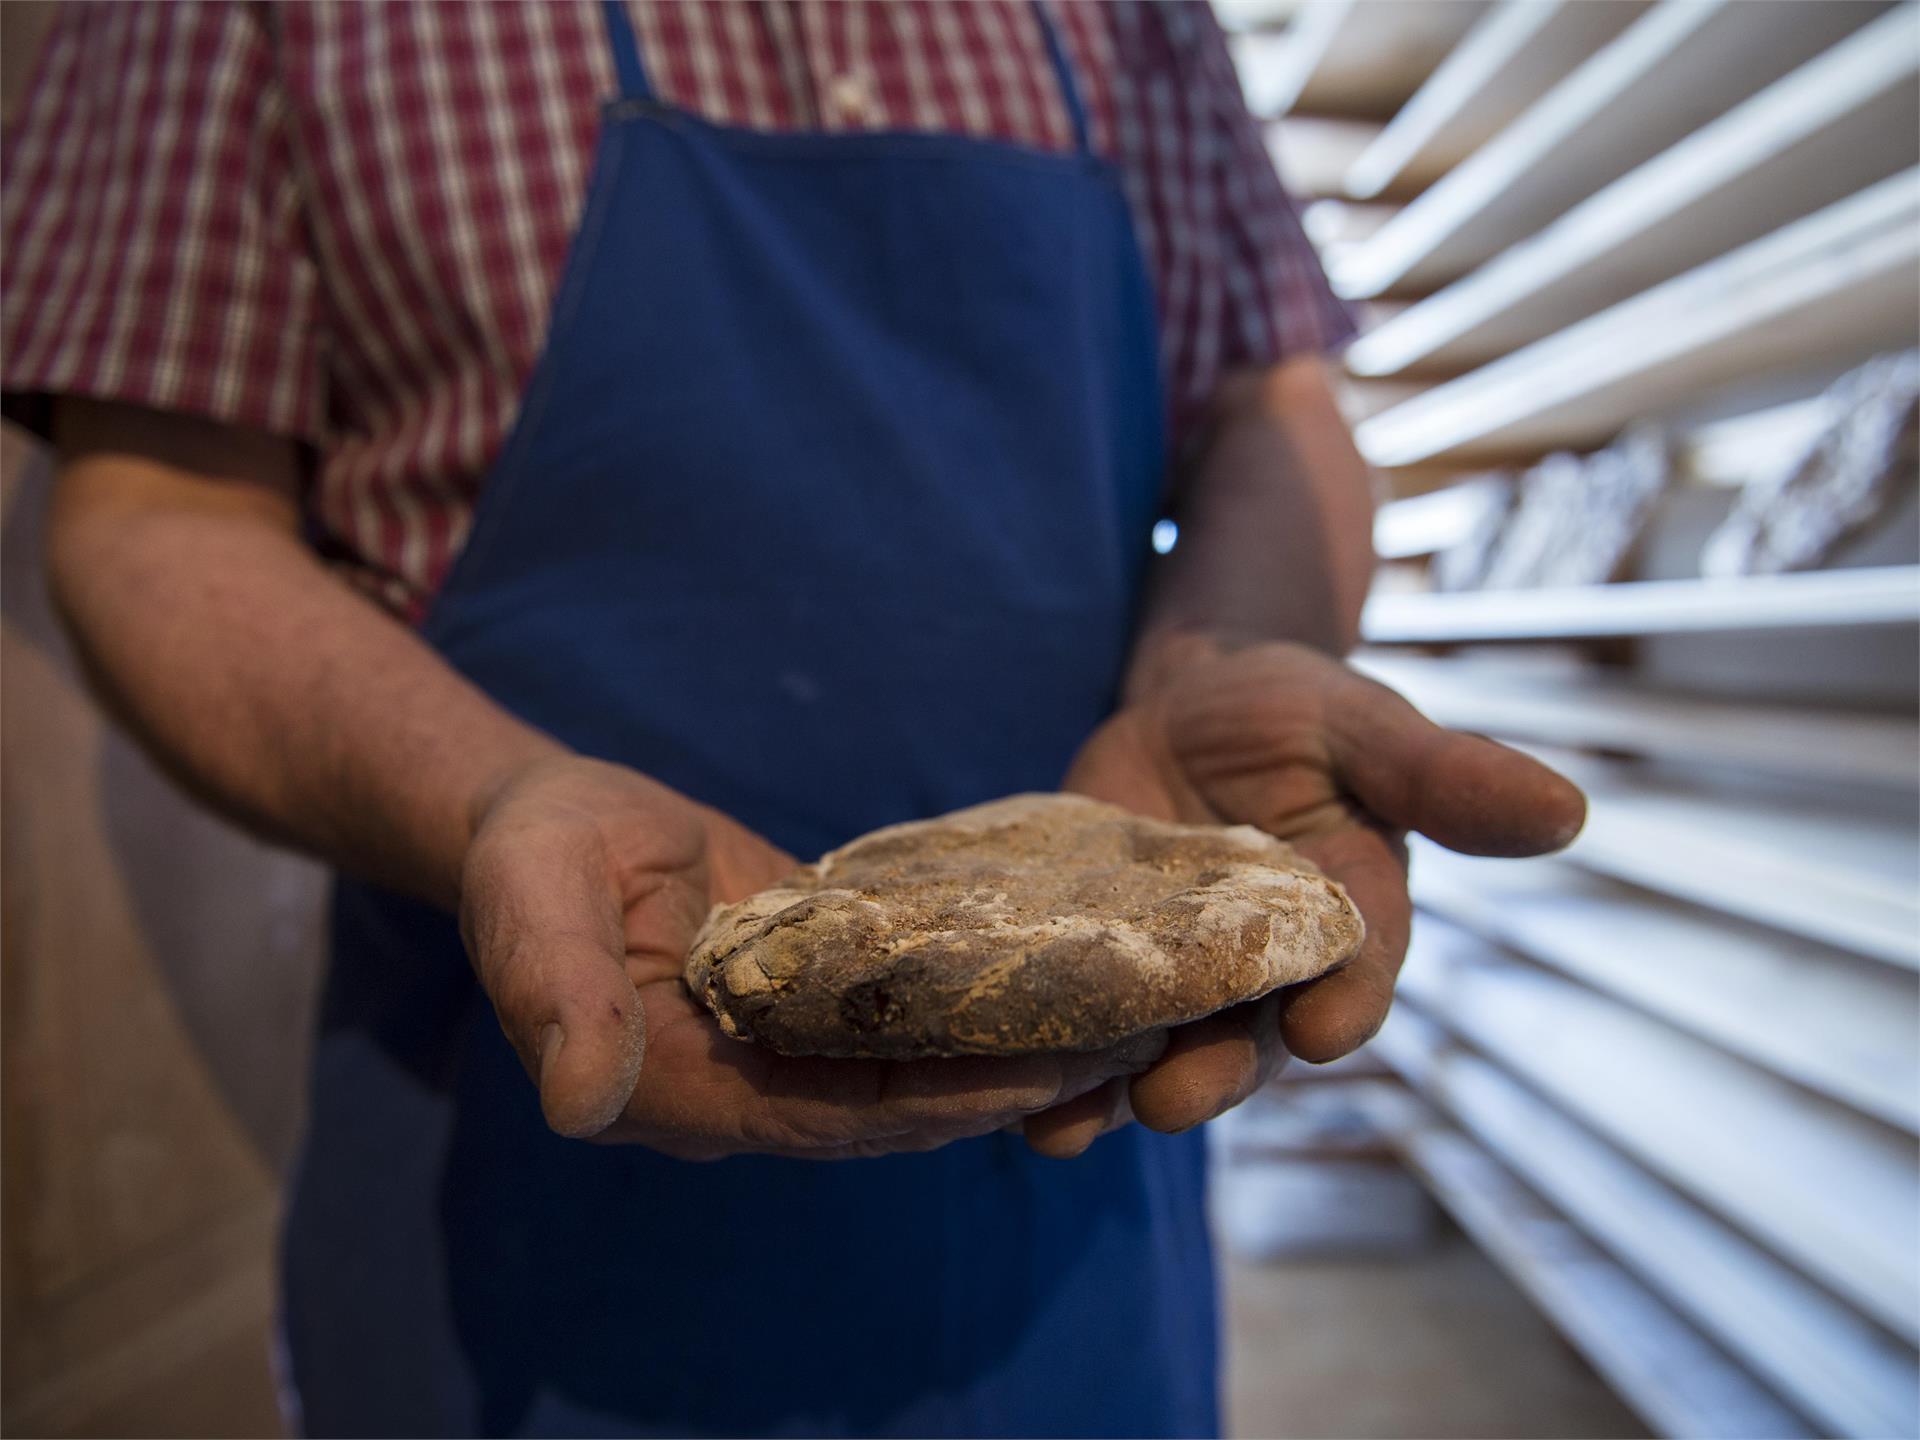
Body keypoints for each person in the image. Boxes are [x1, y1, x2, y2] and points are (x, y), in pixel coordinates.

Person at [3, 2, 1585, 1435]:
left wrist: (1213, 659)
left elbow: (1272, 407)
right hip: (530, 1165)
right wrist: (497, 799)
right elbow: (159, 516)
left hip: (1084, 1150)